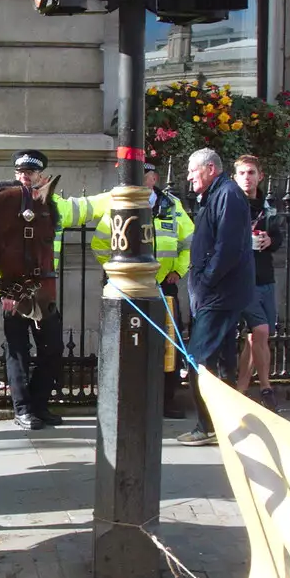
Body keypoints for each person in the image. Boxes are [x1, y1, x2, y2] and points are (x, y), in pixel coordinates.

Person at [2, 149, 109, 431]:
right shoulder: (6, 204)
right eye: (21, 172)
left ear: (42, 176)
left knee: (53, 349)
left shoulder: (55, 205)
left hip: (44, 291)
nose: (25, 177)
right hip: (15, 291)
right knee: (18, 353)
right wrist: (6, 291)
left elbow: (88, 207)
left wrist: (123, 193)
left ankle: (38, 405)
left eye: (31, 173)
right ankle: (23, 410)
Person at [88, 159, 194, 416]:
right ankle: (128, 401)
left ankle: (166, 401)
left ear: (153, 179)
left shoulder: (173, 206)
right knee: (129, 344)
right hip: (129, 290)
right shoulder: (120, 204)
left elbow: (190, 242)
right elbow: (100, 245)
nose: (134, 180)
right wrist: (117, 273)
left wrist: (178, 270)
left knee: (167, 347)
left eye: (141, 175)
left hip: (163, 287)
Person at [177, 148, 256, 446]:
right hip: (215, 294)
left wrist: (207, 280)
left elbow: (228, 247)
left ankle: (207, 425)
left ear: (210, 169)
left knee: (197, 359)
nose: (188, 177)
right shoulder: (216, 195)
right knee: (222, 361)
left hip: (219, 295)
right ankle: (225, 423)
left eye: (192, 170)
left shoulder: (228, 195)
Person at [230, 155, 286, 412]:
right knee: (260, 331)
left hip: (265, 276)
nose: (247, 177)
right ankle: (266, 388)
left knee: (257, 337)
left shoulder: (269, 206)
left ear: (260, 176)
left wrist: (269, 240)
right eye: (242, 173)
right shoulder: (231, 202)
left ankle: (241, 390)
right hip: (243, 278)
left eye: (251, 172)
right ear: (235, 177)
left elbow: (280, 234)